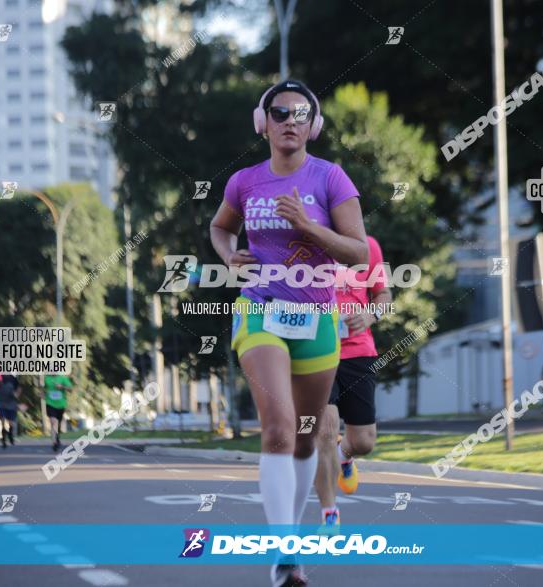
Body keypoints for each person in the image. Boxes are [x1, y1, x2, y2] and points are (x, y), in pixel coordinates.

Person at [210, 79, 368, 587]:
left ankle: (291, 539)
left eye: (301, 114)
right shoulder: (245, 181)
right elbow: (219, 227)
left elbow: (359, 252)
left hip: (317, 318)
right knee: (278, 428)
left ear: (314, 127)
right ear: (264, 123)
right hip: (259, 310)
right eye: (280, 112)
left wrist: (309, 226)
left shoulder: (332, 178)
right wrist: (228, 254)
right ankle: (285, 554)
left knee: (303, 440)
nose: (290, 121)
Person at [314, 236, 391, 533]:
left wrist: (371, 314)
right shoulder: (303, 245)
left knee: (364, 442)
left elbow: (384, 295)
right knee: (325, 430)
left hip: (358, 351)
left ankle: (345, 456)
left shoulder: (368, 245)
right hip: (316, 349)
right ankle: (329, 513)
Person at [43, 373, 72, 452]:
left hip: (61, 405)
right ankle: (54, 442)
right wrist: (43, 394)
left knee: (58, 423)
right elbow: (44, 389)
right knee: (53, 422)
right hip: (50, 403)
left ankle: (57, 436)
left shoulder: (63, 378)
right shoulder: (47, 379)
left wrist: (61, 387)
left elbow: (70, 389)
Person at [0, 373, 21, 449]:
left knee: (11, 423)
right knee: (3, 421)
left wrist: (17, 394)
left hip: (11, 403)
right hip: (0, 403)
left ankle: (10, 435)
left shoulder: (13, 379)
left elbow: (19, 388)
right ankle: (3, 439)